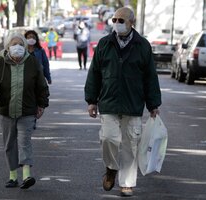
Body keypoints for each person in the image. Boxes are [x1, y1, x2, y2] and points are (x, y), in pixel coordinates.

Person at [84, 7, 161, 197]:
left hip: (133, 103)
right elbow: (94, 73)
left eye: (121, 20)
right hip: (109, 101)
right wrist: (91, 101)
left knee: (130, 145)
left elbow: (150, 77)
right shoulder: (104, 44)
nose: (117, 23)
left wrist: (153, 104)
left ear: (131, 23)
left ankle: (127, 183)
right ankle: (111, 168)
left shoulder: (143, 45)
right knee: (108, 138)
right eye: (114, 20)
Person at [0, 32, 49, 189]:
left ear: (25, 47)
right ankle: (12, 176)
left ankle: (26, 175)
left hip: (27, 111)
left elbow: (41, 86)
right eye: (13, 44)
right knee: (10, 144)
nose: (17, 47)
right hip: (6, 111)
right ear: (7, 47)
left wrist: (42, 104)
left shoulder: (33, 62)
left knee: (24, 142)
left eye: (20, 44)